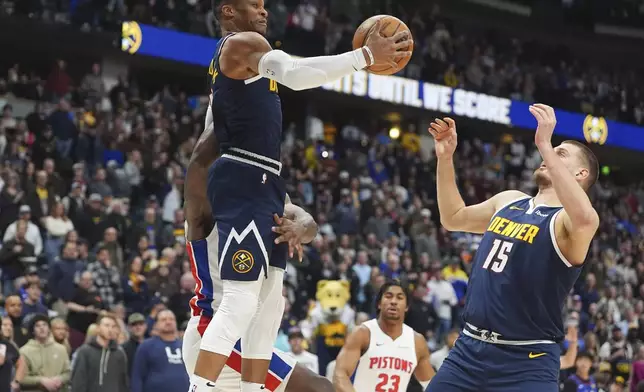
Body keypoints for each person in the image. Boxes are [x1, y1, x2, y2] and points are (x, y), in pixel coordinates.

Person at [187, 0, 412, 390]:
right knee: (241, 303)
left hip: (264, 176)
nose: (263, 11)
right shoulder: (241, 43)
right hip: (241, 172)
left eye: (263, 4)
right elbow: (294, 72)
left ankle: (256, 388)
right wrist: (363, 56)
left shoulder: (244, 64)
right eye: (252, 4)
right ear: (227, 11)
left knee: (270, 305)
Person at [426, 104, 600, 392]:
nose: (549, 156)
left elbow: (585, 217)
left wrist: (544, 144)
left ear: (580, 174)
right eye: (551, 150)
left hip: (526, 362)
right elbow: (453, 218)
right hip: (468, 351)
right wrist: (445, 159)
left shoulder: (568, 221)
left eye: (561, 154)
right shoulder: (509, 200)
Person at [182, 105, 330, 392]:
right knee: (318, 388)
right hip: (212, 331)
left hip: (248, 339)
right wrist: (232, 102)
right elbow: (199, 160)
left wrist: (300, 228)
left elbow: (307, 223)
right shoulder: (204, 209)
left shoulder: (261, 196)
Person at [333, 281, 435, 392]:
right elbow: (340, 374)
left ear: (406, 307)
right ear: (379, 304)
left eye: (399, 298)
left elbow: (431, 384)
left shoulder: (417, 341)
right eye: (388, 296)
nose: (393, 302)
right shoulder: (363, 333)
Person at [131, 310, 189, 392]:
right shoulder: (146, 346)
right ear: (156, 325)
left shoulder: (185, 346)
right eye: (163, 319)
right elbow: (137, 377)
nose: (168, 322)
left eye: (171, 319)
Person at [70, 314, 128, 392]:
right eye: (106, 325)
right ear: (98, 328)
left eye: (113, 326)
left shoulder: (119, 354)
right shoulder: (85, 351)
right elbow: (78, 381)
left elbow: (123, 383)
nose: (110, 329)